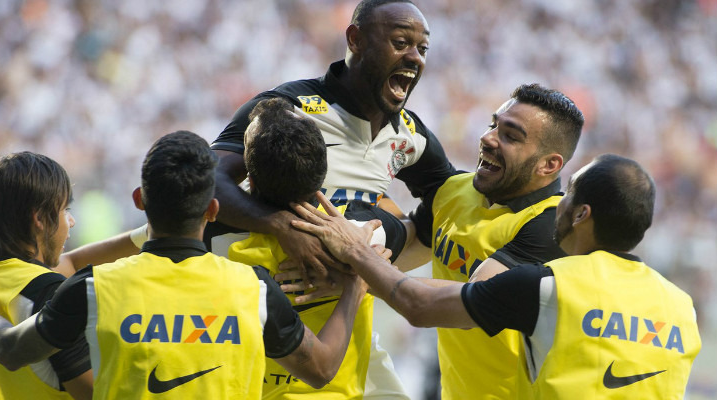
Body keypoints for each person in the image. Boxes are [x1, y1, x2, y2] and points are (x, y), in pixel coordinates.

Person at [0, 131, 368, 400]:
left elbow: (8, 348)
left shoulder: (92, 289)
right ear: (213, 210)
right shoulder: (253, 289)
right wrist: (356, 285)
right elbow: (321, 368)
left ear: (139, 200)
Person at [290, 153, 702, 399]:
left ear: (582, 214)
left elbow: (417, 303)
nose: (559, 202)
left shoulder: (551, 286)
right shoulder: (682, 308)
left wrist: (356, 252)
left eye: (569, 193)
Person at [209, 1, 455, 398]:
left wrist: (366, 260)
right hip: (259, 322)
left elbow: (447, 204)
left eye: (422, 48)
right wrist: (280, 226)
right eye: (400, 42)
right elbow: (209, 178)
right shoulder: (288, 110)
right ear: (355, 40)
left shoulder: (410, 135)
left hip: (345, 331)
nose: (414, 57)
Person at [205, 97, 409, 399]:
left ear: (249, 177)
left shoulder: (212, 235)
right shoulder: (369, 233)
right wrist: (355, 275)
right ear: (321, 174)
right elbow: (416, 233)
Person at [398, 83, 583, 398]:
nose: (487, 138)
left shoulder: (553, 226)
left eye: (510, 136)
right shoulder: (456, 192)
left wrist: (360, 259)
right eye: (493, 124)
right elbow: (406, 252)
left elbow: (468, 303)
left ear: (549, 165)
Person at [0, 152, 93, 400]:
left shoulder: (5, 278)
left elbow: (73, 262)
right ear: (39, 219)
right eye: (65, 209)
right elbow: (98, 393)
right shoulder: (51, 293)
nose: (72, 221)